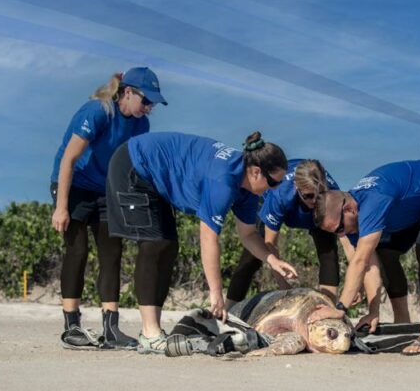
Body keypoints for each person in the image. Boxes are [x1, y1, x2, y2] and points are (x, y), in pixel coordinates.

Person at [104, 131, 299, 354]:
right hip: (134, 163)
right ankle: (150, 333)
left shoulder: (248, 191)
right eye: (274, 182)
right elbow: (208, 238)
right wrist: (215, 292)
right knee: (155, 244)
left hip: (155, 175)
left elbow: (248, 234)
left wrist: (272, 260)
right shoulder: (223, 182)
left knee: (168, 247)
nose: (275, 189)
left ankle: (154, 331)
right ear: (256, 172)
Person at [50, 67, 166, 350]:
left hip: (105, 190)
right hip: (73, 184)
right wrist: (61, 207)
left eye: (153, 103)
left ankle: (110, 327)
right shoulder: (98, 112)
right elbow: (69, 158)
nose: (149, 108)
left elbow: (132, 169)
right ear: (128, 92)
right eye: (146, 100)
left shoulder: (141, 126)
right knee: (77, 250)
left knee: (112, 252)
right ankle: (72, 326)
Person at [314, 160, 420, 355]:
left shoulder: (373, 201)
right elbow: (370, 267)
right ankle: (403, 324)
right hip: (418, 205)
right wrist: (374, 312)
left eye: (340, 228)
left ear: (349, 209)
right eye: (335, 233)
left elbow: (359, 260)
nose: (341, 235)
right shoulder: (352, 220)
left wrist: (340, 308)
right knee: (386, 253)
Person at [225, 159, 356, 306]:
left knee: (328, 251)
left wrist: (357, 281)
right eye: (308, 196)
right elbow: (270, 244)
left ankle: (327, 305)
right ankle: (228, 309)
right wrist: (286, 291)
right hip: (275, 204)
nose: (314, 202)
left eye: (319, 195)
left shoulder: (331, 192)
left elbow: (347, 239)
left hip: (315, 212)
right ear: (297, 187)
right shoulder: (281, 195)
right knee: (252, 256)